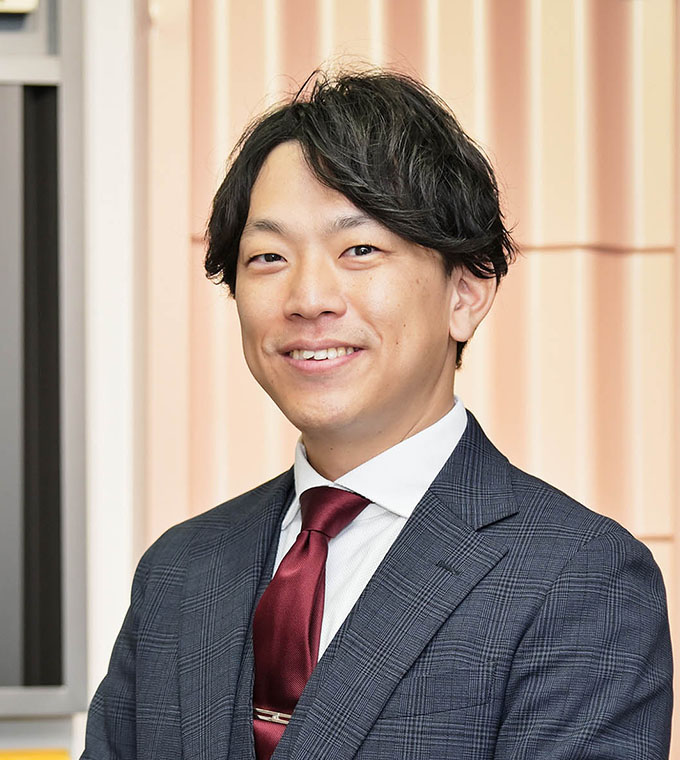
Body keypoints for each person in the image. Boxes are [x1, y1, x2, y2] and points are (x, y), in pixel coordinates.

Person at [81, 70, 673, 759]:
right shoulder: (180, 569)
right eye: (268, 256)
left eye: (359, 249)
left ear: (466, 291)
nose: (308, 298)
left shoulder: (580, 578)